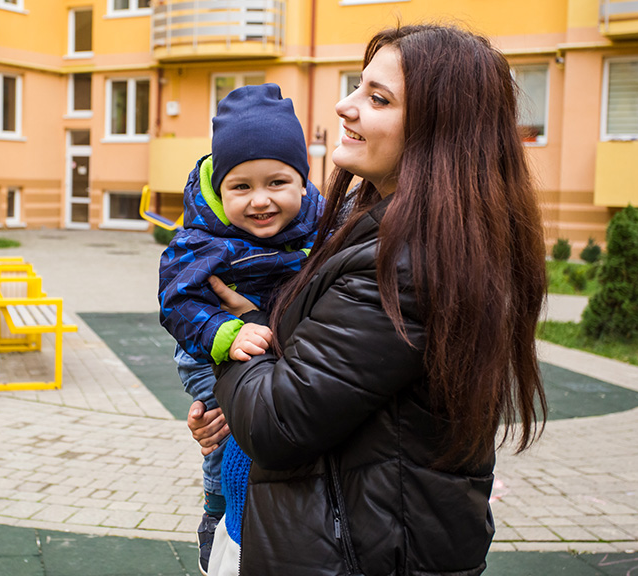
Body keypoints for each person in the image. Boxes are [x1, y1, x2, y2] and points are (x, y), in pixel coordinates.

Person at [192, 24, 549, 575]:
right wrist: (233, 409)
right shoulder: (385, 225)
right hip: (346, 533)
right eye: (357, 87)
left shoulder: (413, 260)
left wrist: (236, 335)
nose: (344, 106)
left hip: (353, 552)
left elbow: (276, 425)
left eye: (377, 98)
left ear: (440, 131)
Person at [158, 83, 323, 574]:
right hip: (210, 351)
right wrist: (224, 334)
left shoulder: (320, 227)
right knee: (225, 432)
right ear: (219, 188)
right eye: (241, 187)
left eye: (277, 183)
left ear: (301, 180)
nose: (260, 201)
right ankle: (217, 514)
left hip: (272, 349)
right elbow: (176, 301)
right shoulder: (203, 240)